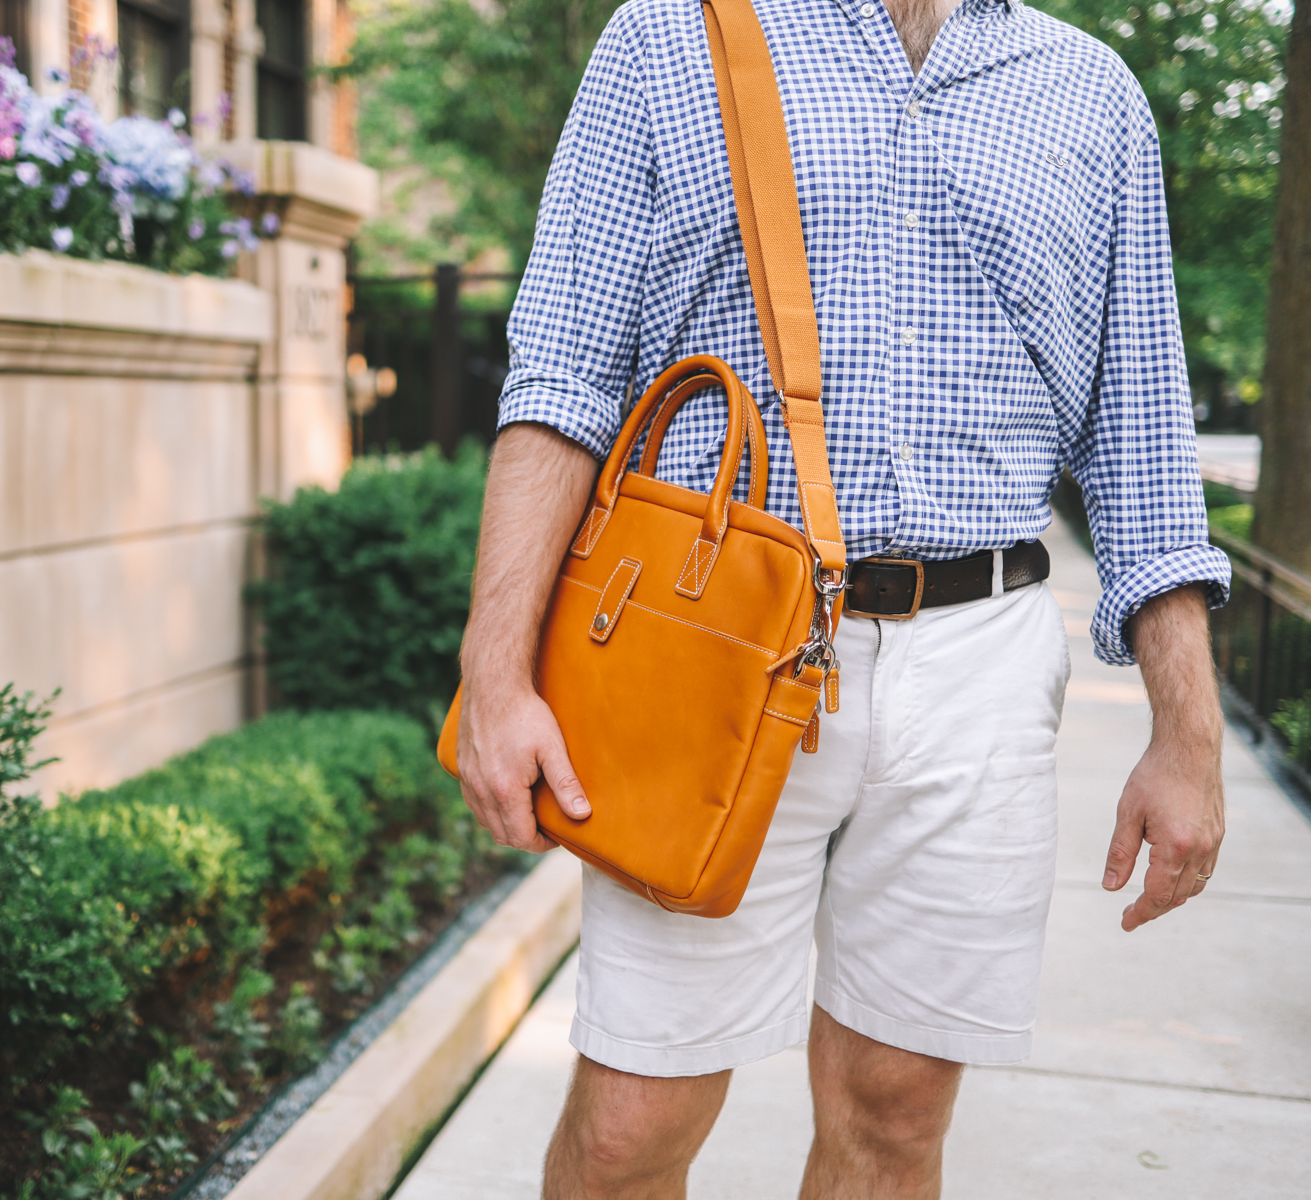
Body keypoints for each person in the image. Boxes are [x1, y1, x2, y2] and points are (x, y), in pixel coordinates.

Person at [451, 0, 1232, 1195]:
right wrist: (495, 674)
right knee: (630, 1125)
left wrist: (1191, 733)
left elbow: (1138, 436)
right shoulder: (668, 37)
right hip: (711, 647)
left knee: (897, 1118)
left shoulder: (1092, 92)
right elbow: (563, 375)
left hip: (981, 662)